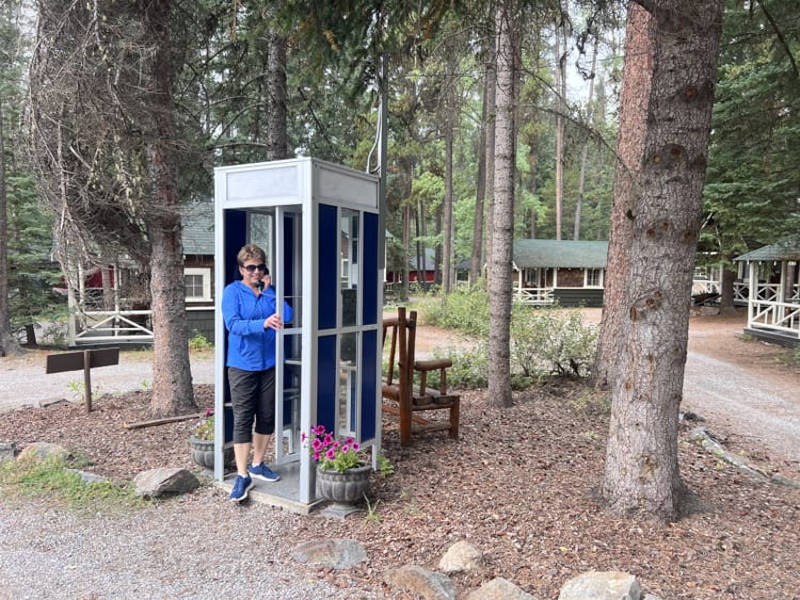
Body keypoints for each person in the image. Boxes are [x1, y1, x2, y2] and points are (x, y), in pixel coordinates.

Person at [222, 244, 293, 502]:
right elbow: (233, 324)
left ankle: (258, 463)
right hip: (242, 364)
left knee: (266, 414)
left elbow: (288, 314)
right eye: (250, 267)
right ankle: (242, 476)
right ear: (241, 269)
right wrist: (261, 323)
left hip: (270, 363)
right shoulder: (233, 292)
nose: (255, 271)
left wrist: (270, 291)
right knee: (243, 418)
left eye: (259, 267)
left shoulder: (268, 293)